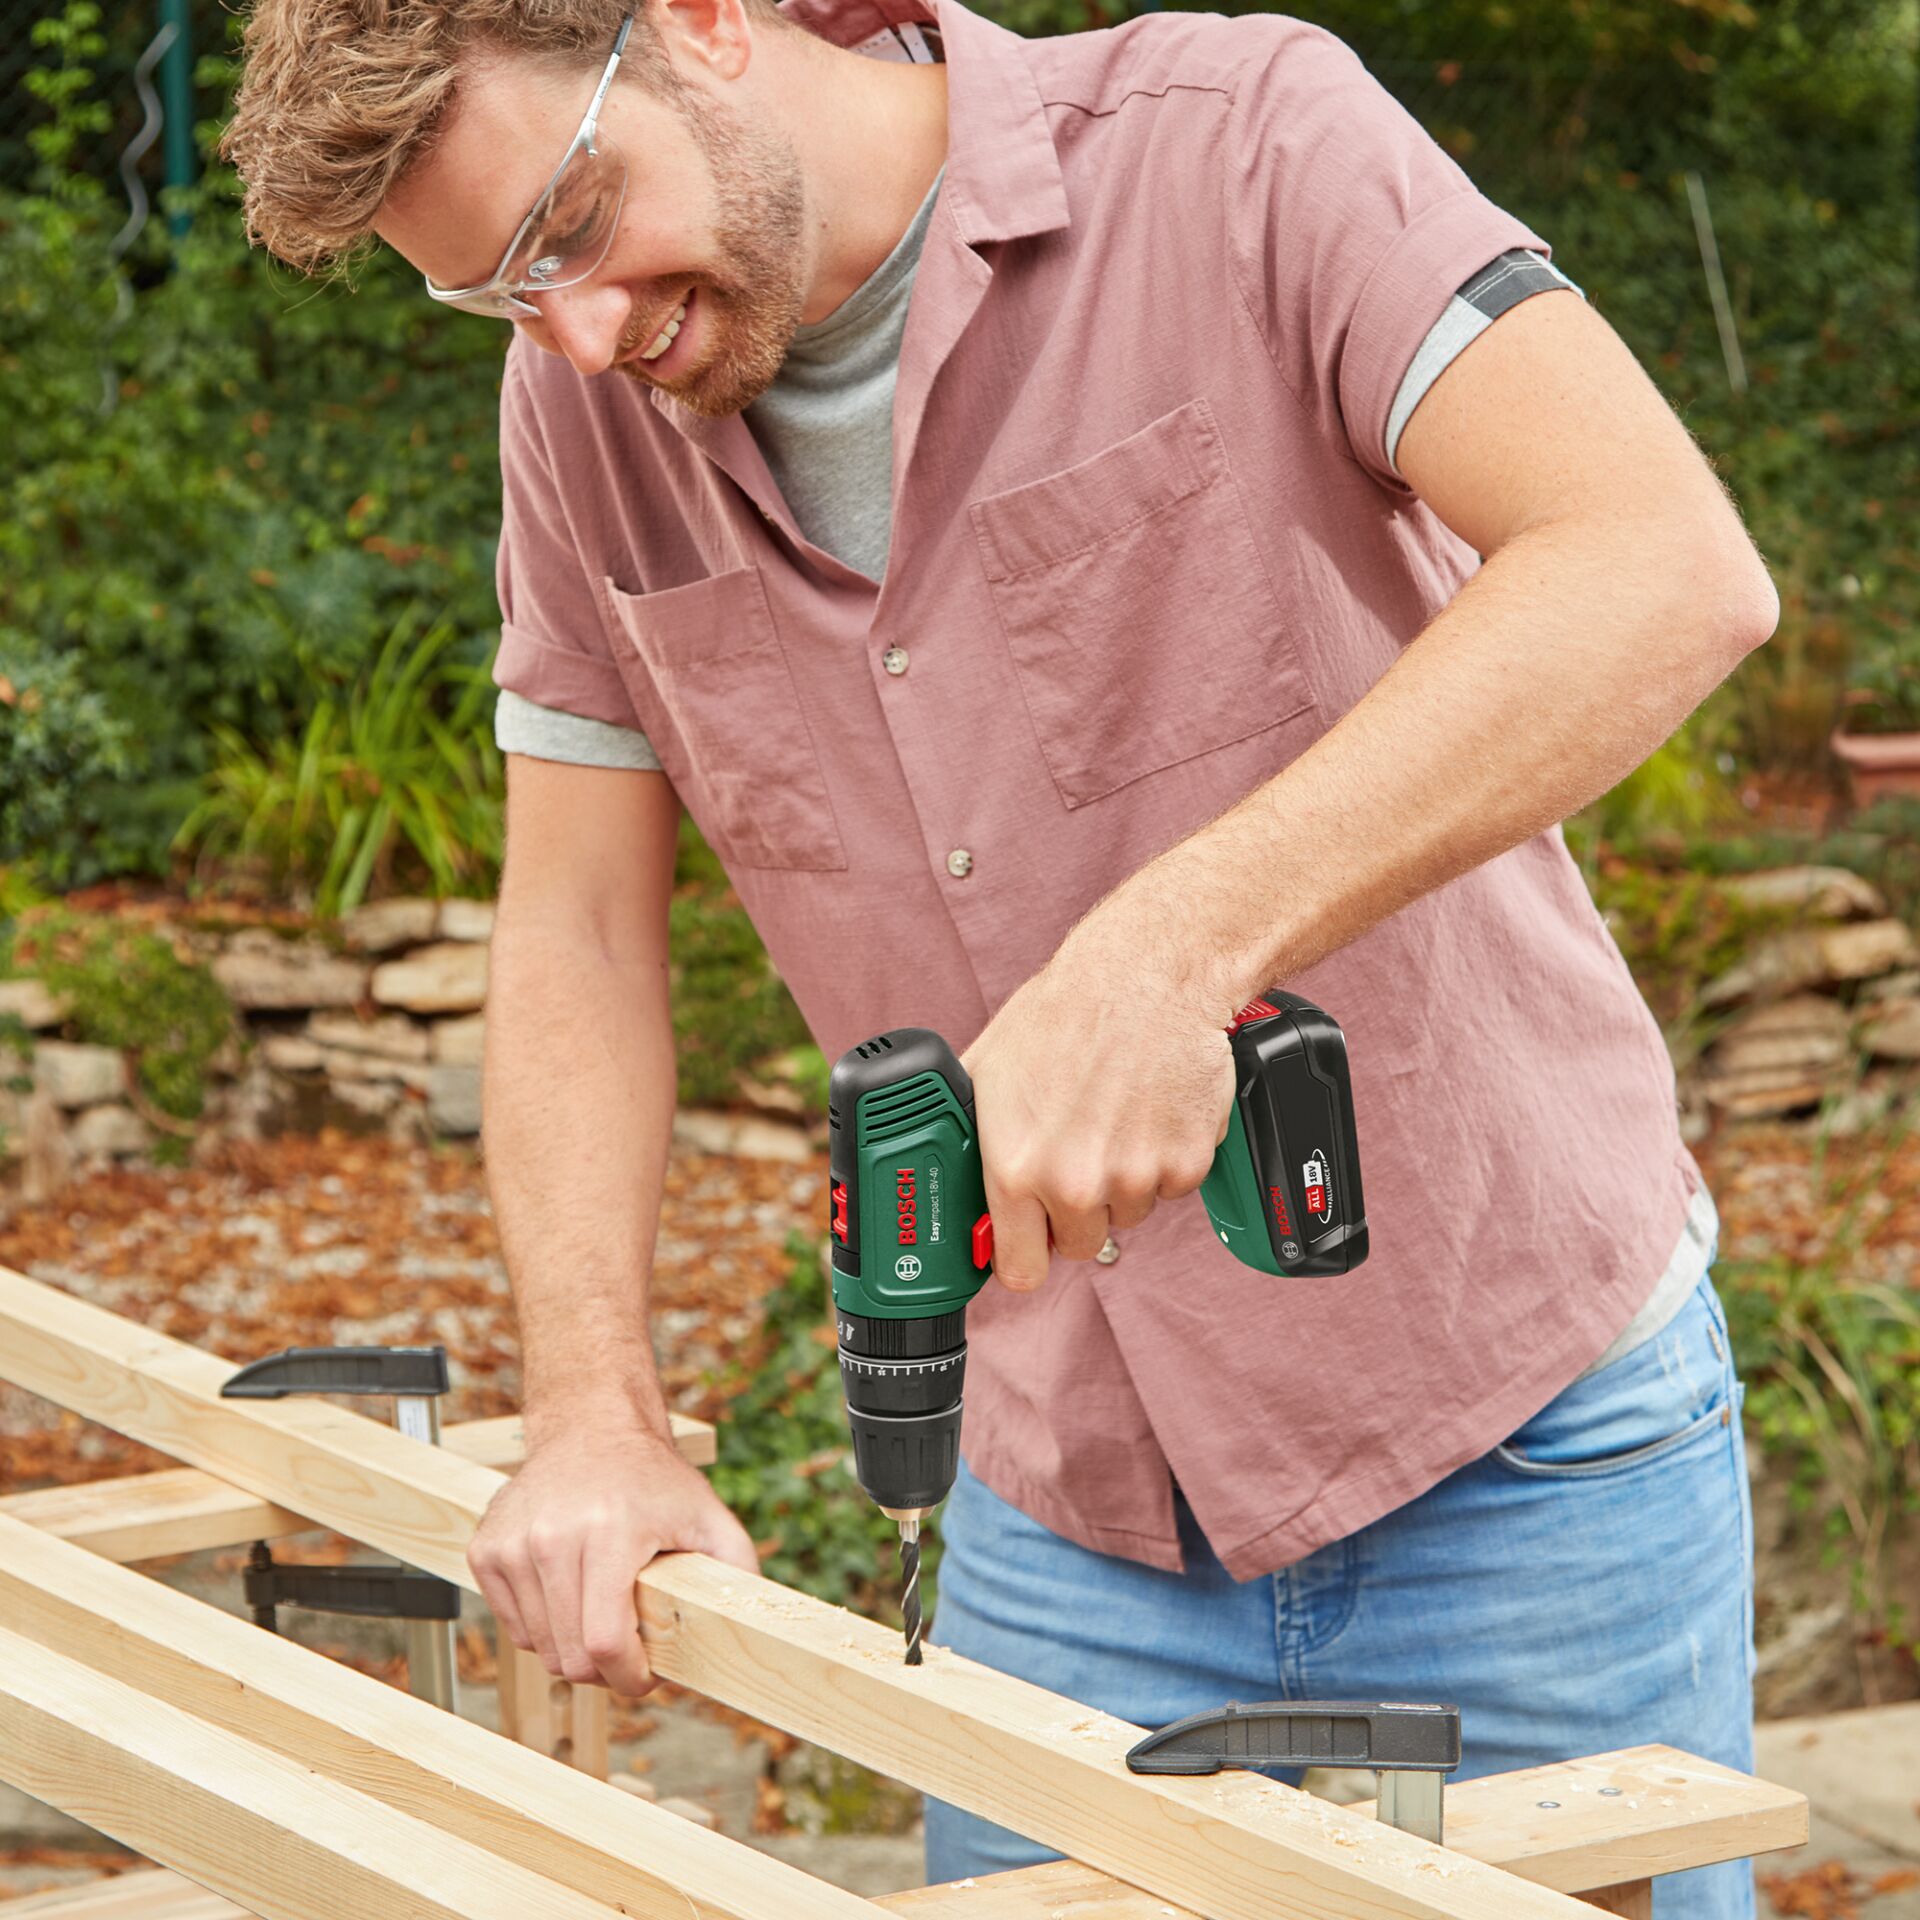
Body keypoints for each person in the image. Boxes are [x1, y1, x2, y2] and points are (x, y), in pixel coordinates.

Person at [224, 0, 1778, 1908]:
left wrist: (1170, 947)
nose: (577, 332)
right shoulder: (584, 408)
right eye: (495, 296)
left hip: (1518, 1447)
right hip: (1065, 1515)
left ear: (706, 23)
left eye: (566, 226)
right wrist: (595, 1416)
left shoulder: (1235, 144)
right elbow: (581, 933)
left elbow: (1657, 562)